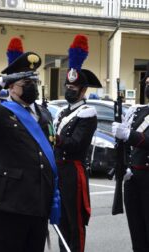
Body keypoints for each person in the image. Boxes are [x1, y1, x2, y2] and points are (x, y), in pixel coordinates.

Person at [0, 51, 60, 252]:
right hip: (8, 203)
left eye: (34, 81)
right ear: (11, 87)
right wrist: (0, 81)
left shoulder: (44, 114)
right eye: (25, 83)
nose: (32, 87)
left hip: (38, 202)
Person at [53, 34, 102, 252]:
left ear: (83, 90)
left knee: (75, 220)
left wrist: (55, 138)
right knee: (60, 217)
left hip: (73, 171)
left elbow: (77, 144)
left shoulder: (87, 113)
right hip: (59, 170)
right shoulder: (63, 112)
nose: (69, 90)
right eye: (67, 86)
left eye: (73, 88)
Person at [112, 63, 149, 251]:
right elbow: (124, 145)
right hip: (133, 180)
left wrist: (128, 135)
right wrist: (124, 164)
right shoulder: (138, 111)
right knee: (137, 234)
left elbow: (140, 139)